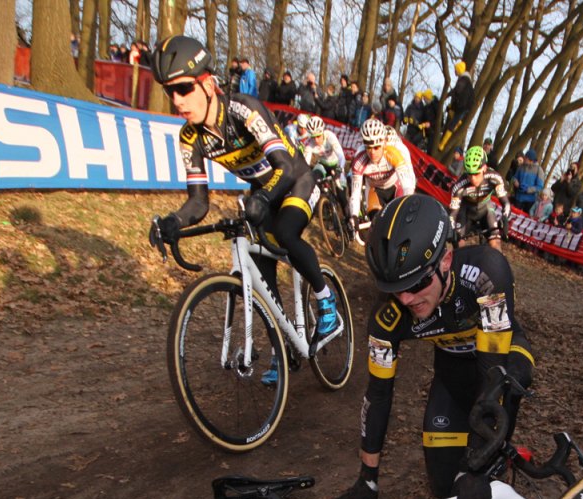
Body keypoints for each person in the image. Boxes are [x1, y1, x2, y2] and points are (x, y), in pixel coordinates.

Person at [333, 194, 535, 499]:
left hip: (501, 359)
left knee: (507, 383)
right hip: (453, 365)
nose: (407, 300)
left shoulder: (486, 275)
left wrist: (475, 464)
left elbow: (491, 377)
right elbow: (378, 394)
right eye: (395, 289)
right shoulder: (388, 317)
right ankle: (499, 456)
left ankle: (499, 454)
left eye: (415, 285)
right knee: (445, 489)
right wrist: (368, 476)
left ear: (446, 260)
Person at [146, 35, 341, 368]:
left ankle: (327, 303)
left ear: (207, 84)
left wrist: (263, 197)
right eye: (169, 91)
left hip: (296, 178)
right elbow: (198, 202)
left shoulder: (242, 109)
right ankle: (285, 348)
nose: (176, 100)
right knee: (262, 271)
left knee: (285, 231)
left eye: (182, 89)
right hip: (262, 190)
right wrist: (174, 222)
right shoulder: (190, 138)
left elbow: (283, 165)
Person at [347, 117, 417, 243]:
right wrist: (354, 215)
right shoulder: (360, 159)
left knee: (400, 221)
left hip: (396, 186)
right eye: (369, 147)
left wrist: (408, 205)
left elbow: (408, 184)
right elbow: (355, 193)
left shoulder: (395, 152)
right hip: (374, 189)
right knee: (377, 226)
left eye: (377, 147)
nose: (372, 152)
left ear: (384, 143)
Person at [449, 145, 512, 250]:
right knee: (458, 246)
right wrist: (451, 230)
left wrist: (505, 218)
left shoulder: (494, 178)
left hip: (486, 209)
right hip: (466, 212)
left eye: (476, 174)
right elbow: (452, 214)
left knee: (496, 245)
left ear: (484, 168)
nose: (473, 178)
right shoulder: (460, 185)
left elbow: (506, 203)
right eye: (469, 174)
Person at [301, 115, 351, 217]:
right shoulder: (309, 144)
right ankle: (325, 205)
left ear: (323, 132)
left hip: (336, 164)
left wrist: (339, 169)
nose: (316, 140)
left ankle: (349, 220)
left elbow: (341, 156)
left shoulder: (329, 136)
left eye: (318, 136)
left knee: (342, 196)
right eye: (313, 137)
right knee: (314, 176)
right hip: (323, 165)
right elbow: (306, 163)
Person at [440, 60, 474, 150]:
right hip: (464, 106)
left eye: (455, 70)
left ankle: (442, 144)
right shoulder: (467, 81)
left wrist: (447, 96)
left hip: (462, 106)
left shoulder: (463, 81)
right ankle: (458, 122)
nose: (454, 72)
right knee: (451, 113)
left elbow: (456, 91)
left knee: (452, 124)